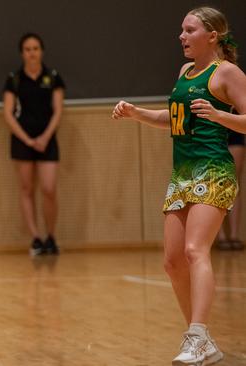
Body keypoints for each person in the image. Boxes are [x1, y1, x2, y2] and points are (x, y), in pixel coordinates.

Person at [112, 6, 246, 365]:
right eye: (181, 31)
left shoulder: (227, 73)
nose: (182, 37)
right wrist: (137, 114)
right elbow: (175, 120)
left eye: (189, 30)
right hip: (182, 174)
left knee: (195, 251)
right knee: (173, 262)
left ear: (212, 36)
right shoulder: (186, 72)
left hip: (214, 170)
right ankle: (200, 340)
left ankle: (198, 335)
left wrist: (220, 116)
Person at [2, 32, 65, 256]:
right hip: (23, 140)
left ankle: (51, 237)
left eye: (36, 48)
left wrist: (45, 137)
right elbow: (8, 114)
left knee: (48, 189)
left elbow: (58, 110)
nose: (32, 53)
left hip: (47, 139)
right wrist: (28, 140)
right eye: (27, 49)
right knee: (27, 188)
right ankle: (36, 238)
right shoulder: (14, 79)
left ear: (42, 51)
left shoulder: (53, 77)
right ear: (22, 53)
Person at [217, 128, 245, 250]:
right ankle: (221, 236)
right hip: (212, 131)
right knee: (215, 184)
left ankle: (234, 235)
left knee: (234, 183)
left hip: (234, 128)